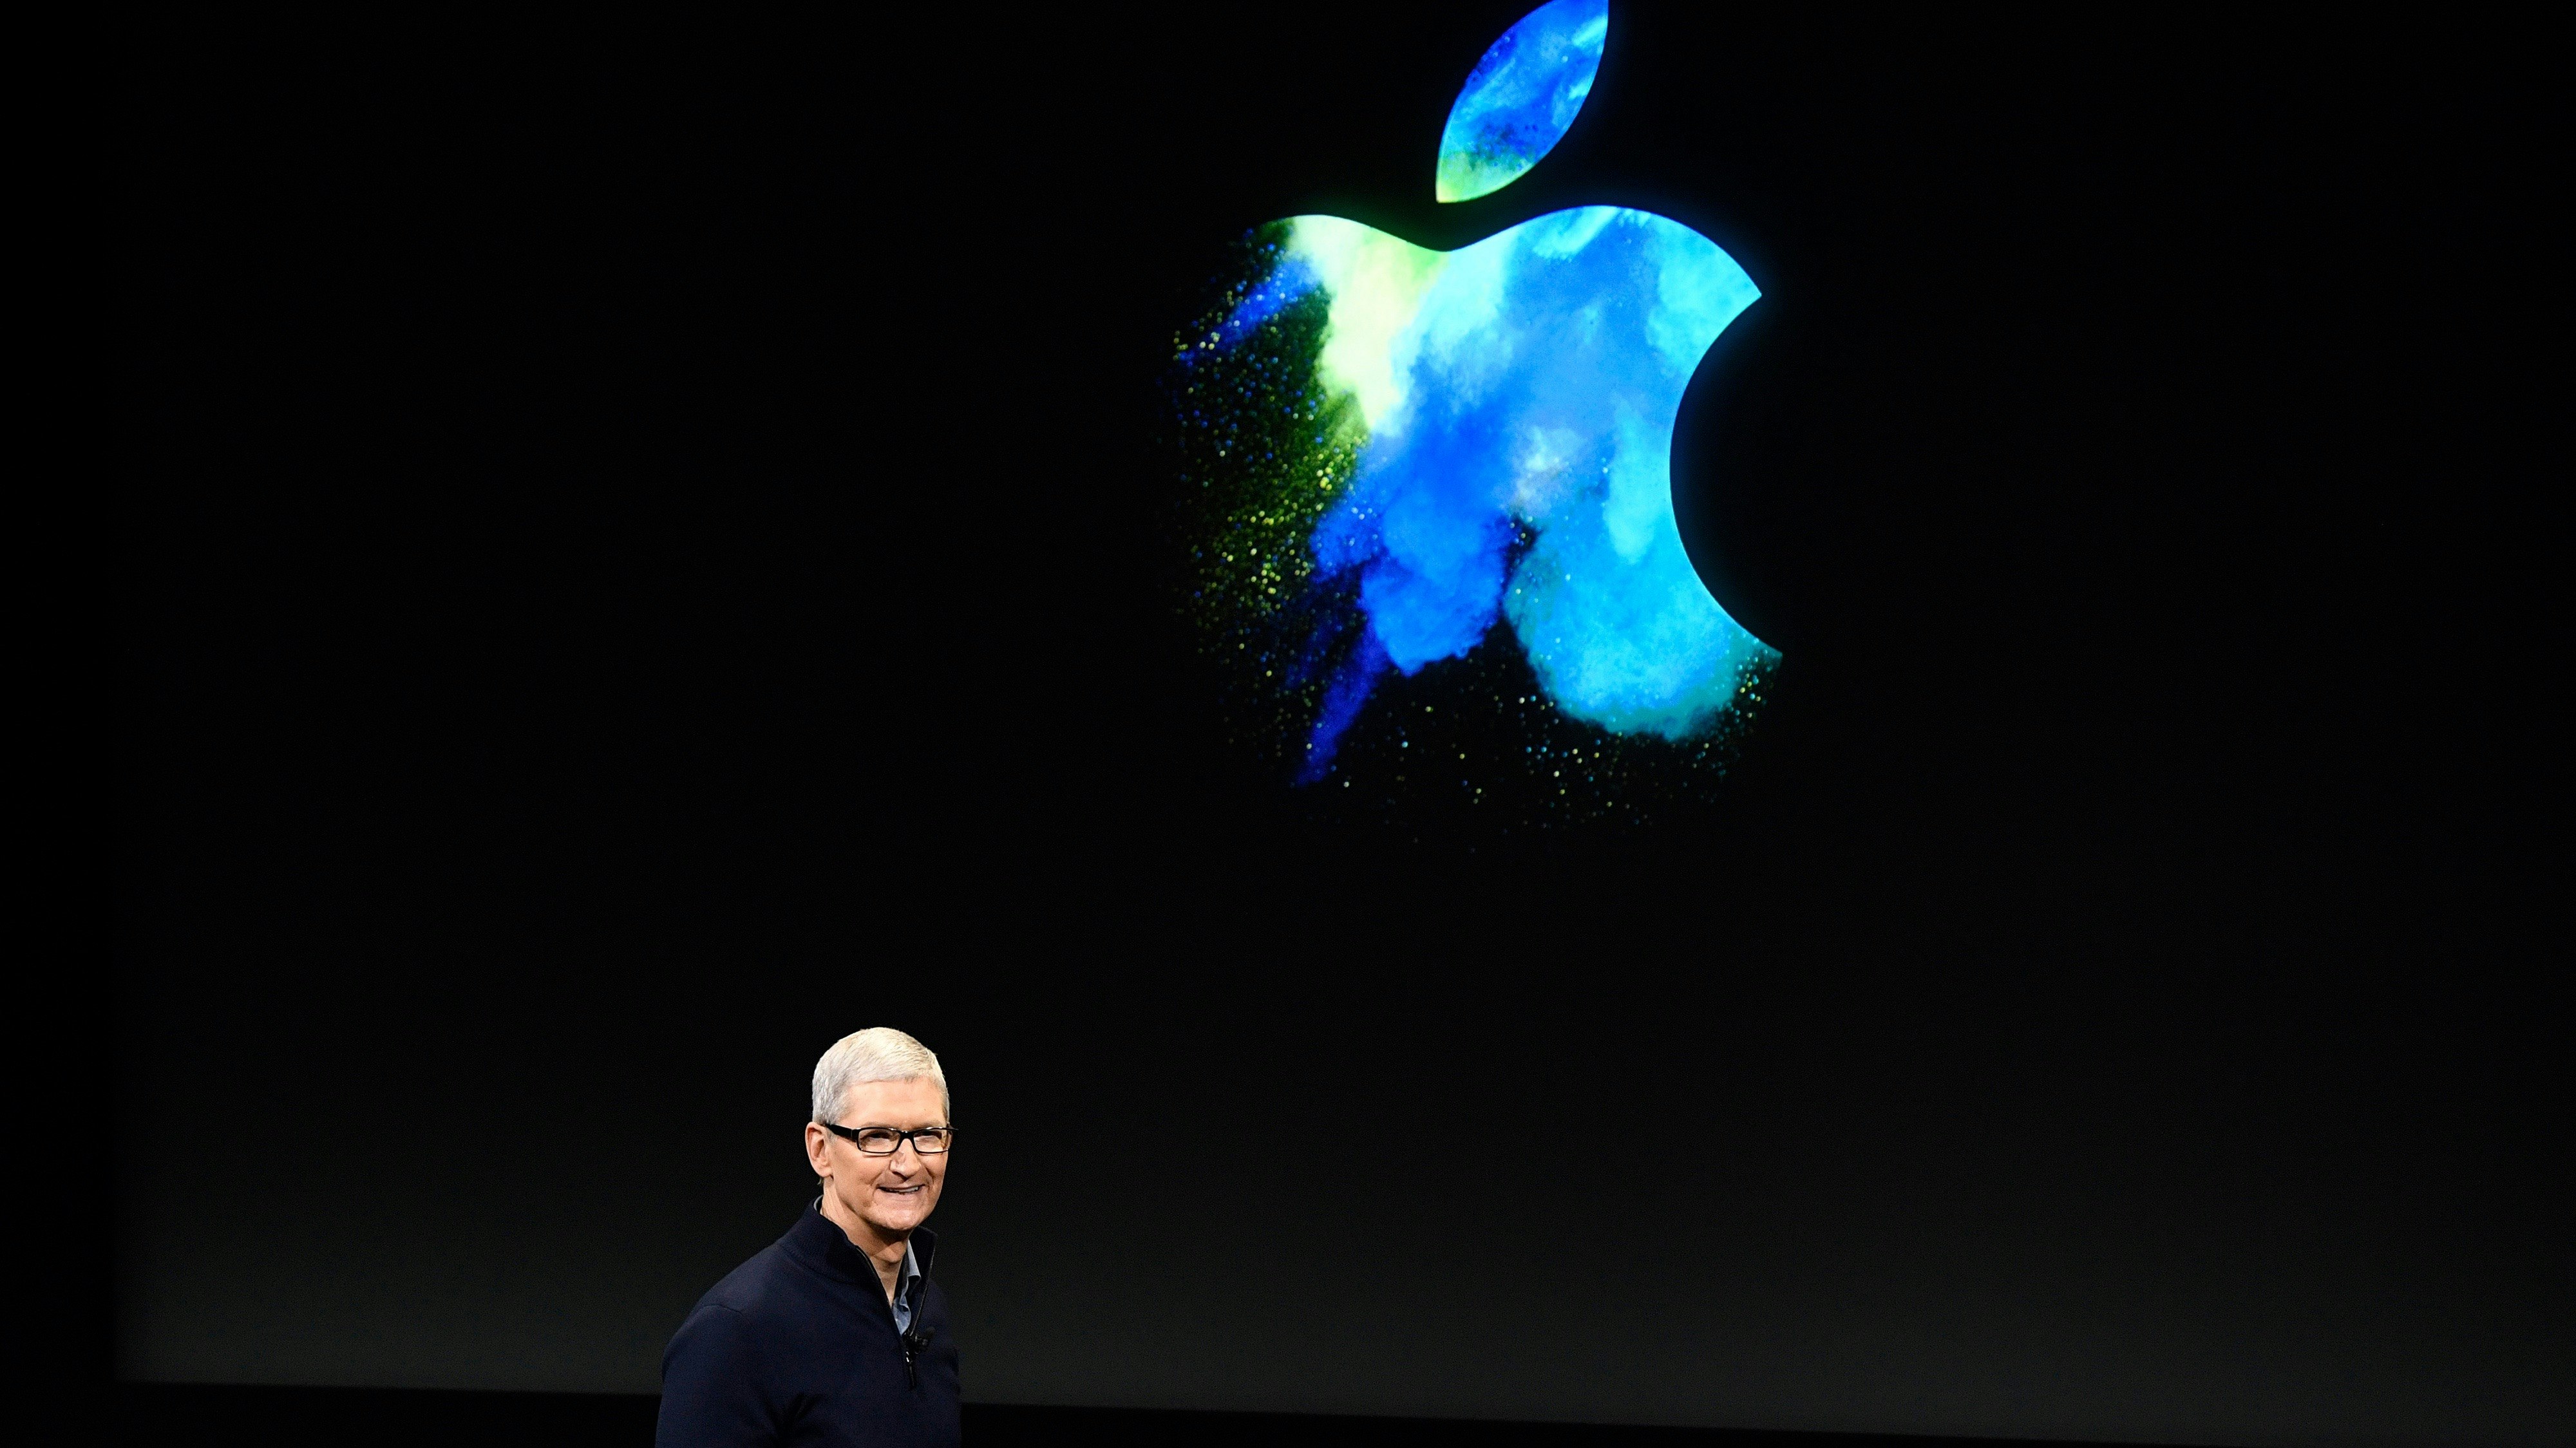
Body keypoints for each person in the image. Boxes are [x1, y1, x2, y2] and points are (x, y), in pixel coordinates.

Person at [657, 1028, 961, 1447]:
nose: (907, 1164)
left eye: (927, 1134)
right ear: (820, 1149)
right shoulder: (736, 1329)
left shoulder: (929, 1310)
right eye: (877, 1136)